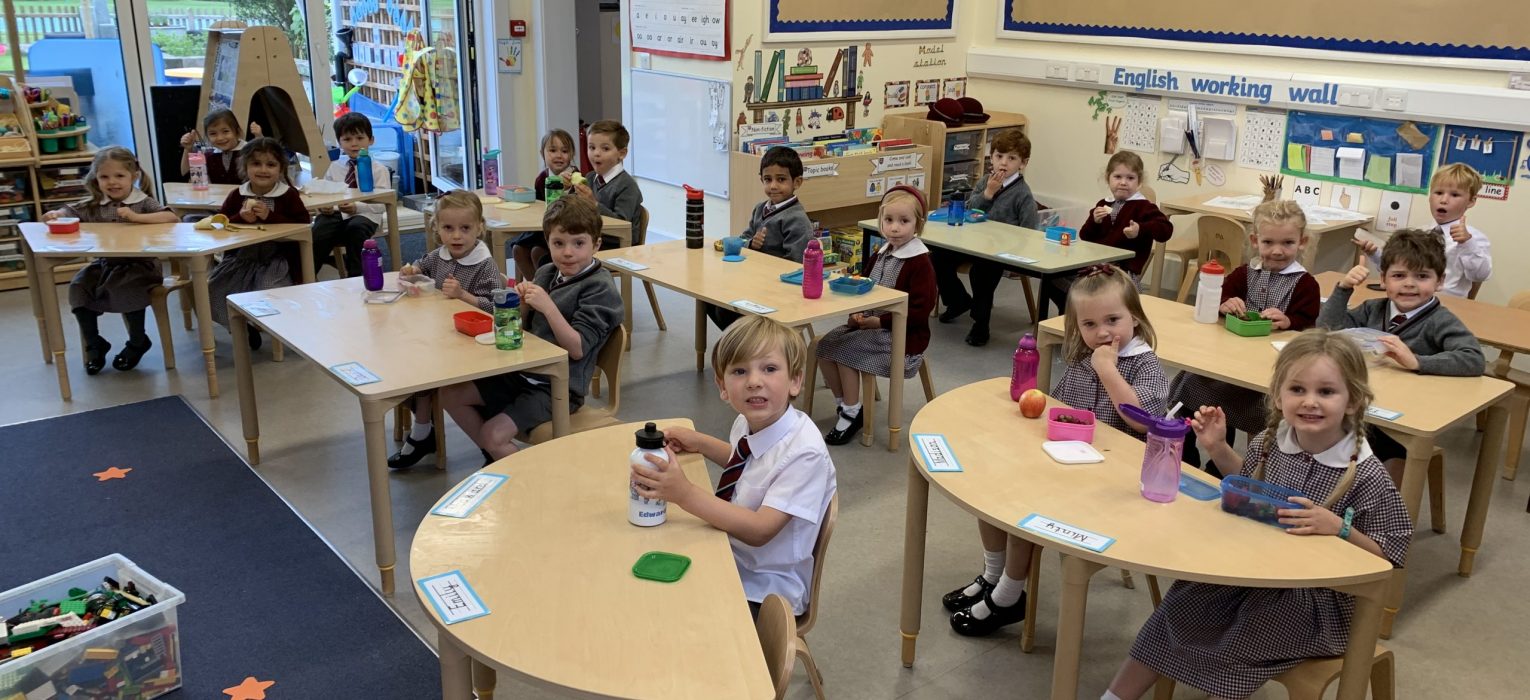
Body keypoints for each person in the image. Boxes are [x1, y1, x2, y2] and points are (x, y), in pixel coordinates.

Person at [1103, 329, 1411, 700]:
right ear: (1278, 395)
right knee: (1176, 608)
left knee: (1238, 637)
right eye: (1297, 389)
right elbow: (1251, 489)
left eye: (1326, 392)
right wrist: (1217, 448)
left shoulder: (1367, 473)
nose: (1310, 402)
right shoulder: (1271, 441)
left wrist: (1339, 529)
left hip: (1318, 601)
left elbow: (1389, 557)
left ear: (1353, 400)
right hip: (1254, 572)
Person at [946, 264, 1168, 636]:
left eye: (1113, 320)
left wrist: (1109, 371)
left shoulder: (1145, 365)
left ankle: (1009, 595)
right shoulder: (1084, 359)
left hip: (1115, 482)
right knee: (991, 489)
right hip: (1068, 462)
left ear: (1135, 318)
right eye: (1089, 324)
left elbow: (1142, 421)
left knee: (1026, 503)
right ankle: (993, 574)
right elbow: (1060, 408)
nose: (1102, 332)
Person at [630, 316, 838, 618]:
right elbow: (749, 464)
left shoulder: (805, 453)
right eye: (740, 371)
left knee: (669, 614)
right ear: (723, 386)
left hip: (765, 589)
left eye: (769, 369)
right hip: (729, 553)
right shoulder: (748, 421)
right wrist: (701, 443)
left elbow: (759, 530)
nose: (754, 381)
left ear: (795, 381)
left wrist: (684, 493)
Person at [439, 195, 623, 462]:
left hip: (557, 387)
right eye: (558, 243)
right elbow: (524, 329)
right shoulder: (548, 272)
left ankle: (517, 471)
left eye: (578, 243)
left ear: (596, 245)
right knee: (450, 394)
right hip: (523, 373)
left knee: (492, 434)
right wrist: (522, 304)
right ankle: (498, 457)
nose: (568, 252)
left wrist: (548, 306)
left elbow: (577, 348)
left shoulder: (600, 288)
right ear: (547, 242)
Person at [1319, 228, 1485, 483]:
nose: (1409, 284)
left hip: (1405, 417)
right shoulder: (1373, 309)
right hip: (1362, 406)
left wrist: (1417, 361)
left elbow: (1473, 358)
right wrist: (1343, 288)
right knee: (1315, 425)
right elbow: (1328, 331)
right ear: (1383, 279)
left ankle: (1381, 503)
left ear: (1439, 281)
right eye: (1399, 275)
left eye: (1422, 276)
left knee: (1388, 453)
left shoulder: (1439, 320)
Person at [1170, 199, 1321, 475]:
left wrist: (1290, 321)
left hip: (1263, 373)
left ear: (1302, 242)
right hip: (1225, 361)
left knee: (1256, 411)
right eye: (1268, 242)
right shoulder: (1244, 273)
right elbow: (1221, 296)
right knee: (1191, 383)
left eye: (1287, 243)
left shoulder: (1306, 283)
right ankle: (1185, 452)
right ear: (1255, 241)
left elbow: (1308, 323)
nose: (1277, 251)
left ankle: (1221, 465)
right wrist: (1224, 304)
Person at [387, 190, 506, 469]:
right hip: (444, 336)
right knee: (409, 359)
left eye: (465, 228)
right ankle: (423, 429)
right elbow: (421, 266)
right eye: (448, 228)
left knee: (425, 368)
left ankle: (423, 433)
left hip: (476, 344)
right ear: (436, 228)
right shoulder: (438, 256)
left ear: (479, 228)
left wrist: (464, 296)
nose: (456, 236)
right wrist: (411, 271)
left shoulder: (484, 264)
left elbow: (497, 309)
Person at [814, 185, 936, 446]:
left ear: (918, 224)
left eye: (904, 221)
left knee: (845, 352)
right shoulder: (880, 253)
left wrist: (880, 321)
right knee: (824, 346)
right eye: (888, 220)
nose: (894, 228)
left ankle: (851, 412)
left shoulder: (919, 262)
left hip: (903, 338)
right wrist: (857, 313)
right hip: (871, 328)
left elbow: (919, 310)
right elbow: (864, 287)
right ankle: (847, 406)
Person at [42, 147, 179, 374]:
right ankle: (94, 343)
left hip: (140, 267)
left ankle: (138, 341)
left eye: (119, 176)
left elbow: (171, 217)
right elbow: (71, 211)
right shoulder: (96, 203)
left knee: (126, 288)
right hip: (106, 264)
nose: (112, 182)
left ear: (133, 176)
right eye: (104, 177)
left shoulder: (142, 202)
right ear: (96, 178)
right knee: (79, 287)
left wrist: (136, 217)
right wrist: (57, 214)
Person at [933, 129, 1039, 346]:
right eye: (999, 156)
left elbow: (1030, 231)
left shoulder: (1023, 194)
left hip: (999, 252)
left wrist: (1015, 251)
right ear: (992, 157)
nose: (1004, 163)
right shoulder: (984, 182)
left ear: (1023, 163)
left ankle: (980, 323)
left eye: (1012, 158)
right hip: (972, 244)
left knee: (981, 273)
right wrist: (988, 193)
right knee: (937, 257)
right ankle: (958, 301)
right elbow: (969, 208)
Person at [207, 138, 312, 349]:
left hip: (276, 261)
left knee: (268, 293)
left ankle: (274, 329)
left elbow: (303, 223)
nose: (263, 170)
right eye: (256, 164)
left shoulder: (288, 195)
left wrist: (270, 216)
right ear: (245, 166)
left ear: (281, 169)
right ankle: (244, 328)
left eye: (271, 164)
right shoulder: (237, 195)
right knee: (213, 292)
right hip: (240, 260)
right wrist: (240, 217)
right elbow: (220, 223)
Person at [1042, 152, 1172, 315]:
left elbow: (1165, 230)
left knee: (1094, 292)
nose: (1123, 182)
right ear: (1108, 178)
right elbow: (1085, 236)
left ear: (1139, 182)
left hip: (1122, 271)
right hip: (1094, 265)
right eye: (1117, 177)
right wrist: (1094, 221)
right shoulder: (1103, 203)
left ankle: (1082, 309)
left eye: (1130, 178)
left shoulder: (1144, 206)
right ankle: (1072, 310)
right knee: (1052, 278)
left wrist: (1140, 229)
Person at [706, 145, 816, 330]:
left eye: (781, 179)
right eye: (767, 179)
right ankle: (742, 339)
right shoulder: (760, 208)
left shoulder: (796, 218)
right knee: (708, 298)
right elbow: (744, 238)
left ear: (797, 182)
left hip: (777, 290)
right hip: (754, 279)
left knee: (726, 311)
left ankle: (750, 338)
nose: (773, 186)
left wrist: (765, 267)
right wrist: (751, 244)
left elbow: (797, 265)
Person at [1354, 162, 1491, 298]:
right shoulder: (1421, 233)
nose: (1444, 200)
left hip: (1448, 303)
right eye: (1438, 193)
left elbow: (1480, 275)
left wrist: (1467, 244)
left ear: (1471, 201)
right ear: (1430, 197)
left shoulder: (1474, 238)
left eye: (1454, 195)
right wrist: (1375, 254)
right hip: (1412, 299)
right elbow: (1399, 270)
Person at [311, 112, 390, 276]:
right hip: (337, 214)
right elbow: (326, 193)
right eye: (347, 139)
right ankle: (306, 276)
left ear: (371, 140)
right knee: (319, 229)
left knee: (356, 229)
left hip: (366, 215)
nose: (354, 144)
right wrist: (325, 207)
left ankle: (357, 278)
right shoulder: (334, 167)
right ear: (339, 142)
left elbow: (382, 204)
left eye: (360, 138)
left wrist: (357, 207)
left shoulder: (379, 169)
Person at [511, 129, 577, 282]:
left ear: (571, 154)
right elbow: (540, 206)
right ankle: (536, 287)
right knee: (517, 249)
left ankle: (549, 287)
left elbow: (575, 209)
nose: (559, 155)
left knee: (537, 252)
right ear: (543, 154)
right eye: (553, 151)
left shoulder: (576, 178)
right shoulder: (542, 178)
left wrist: (563, 188)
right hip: (542, 228)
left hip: (566, 229)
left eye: (564, 151)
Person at [573, 119, 643, 249]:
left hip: (615, 246)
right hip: (590, 240)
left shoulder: (627, 186)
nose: (596, 153)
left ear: (621, 154)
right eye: (591, 147)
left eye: (605, 148)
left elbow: (621, 225)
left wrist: (593, 204)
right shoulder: (590, 177)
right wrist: (565, 188)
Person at [178, 108, 259, 185]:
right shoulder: (209, 155)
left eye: (225, 131)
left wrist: (259, 137)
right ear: (207, 137)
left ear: (237, 132)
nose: (220, 138)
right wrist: (188, 148)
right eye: (213, 133)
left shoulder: (249, 151)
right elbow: (187, 173)